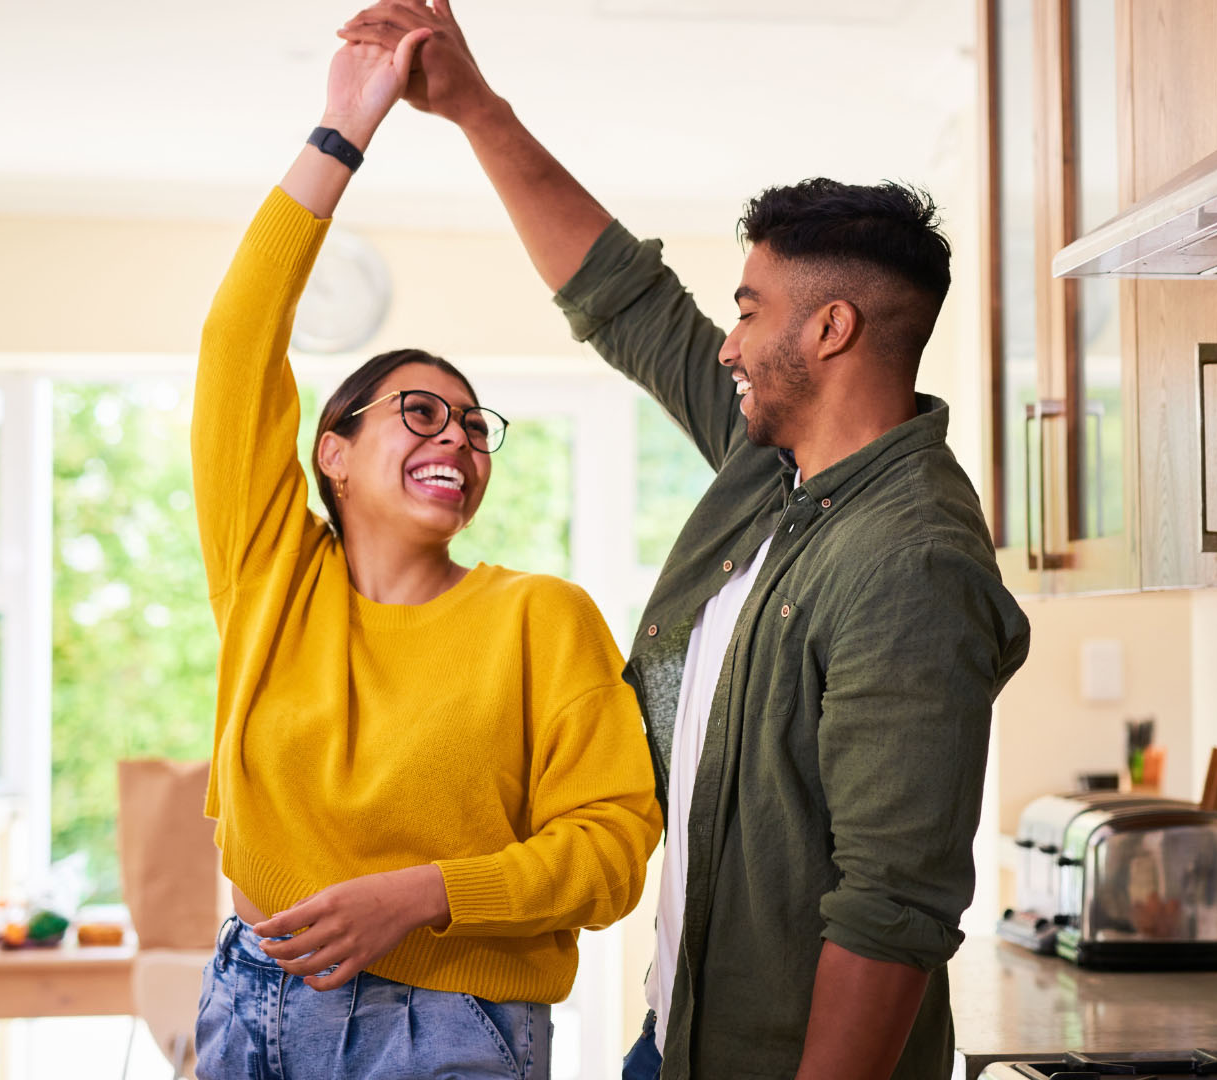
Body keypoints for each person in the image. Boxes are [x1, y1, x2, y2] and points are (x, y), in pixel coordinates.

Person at [338, 5, 1034, 1079]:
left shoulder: (912, 564)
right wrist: (473, 108)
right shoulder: (780, 472)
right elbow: (627, 302)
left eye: (751, 310)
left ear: (830, 330)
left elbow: (891, 910)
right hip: (678, 1039)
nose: (730, 341)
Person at [189, 29, 663, 1080]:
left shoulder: (540, 618)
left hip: (448, 1024)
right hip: (250, 998)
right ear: (336, 453)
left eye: (473, 424)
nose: (456, 435)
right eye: (418, 411)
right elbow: (235, 346)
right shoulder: (272, 576)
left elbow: (612, 848)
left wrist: (420, 895)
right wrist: (344, 128)